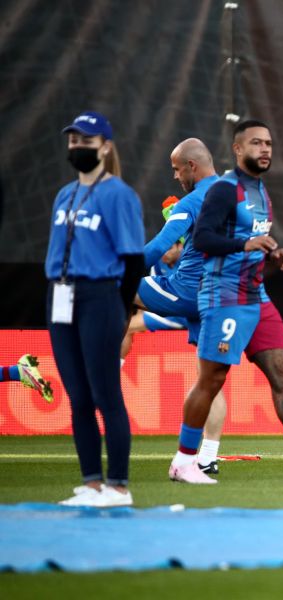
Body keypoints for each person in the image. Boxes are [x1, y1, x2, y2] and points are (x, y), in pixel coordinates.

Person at [168, 119, 283, 484]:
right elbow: (204, 240)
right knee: (212, 379)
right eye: (256, 143)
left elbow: (251, 239)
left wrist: (274, 252)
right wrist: (244, 245)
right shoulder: (224, 190)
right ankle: (183, 461)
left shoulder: (260, 193)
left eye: (269, 143)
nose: (265, 149)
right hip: (224, 296)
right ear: (238, 150)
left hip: (256, 296)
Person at [46, 111, 145, 507]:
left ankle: (118, 486)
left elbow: (134, 260)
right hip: (60, 296)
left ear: (105, 146)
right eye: (73, 140)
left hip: (99, 296)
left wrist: (121, 312)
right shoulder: (64, 194)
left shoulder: (118, 194)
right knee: (78, 395)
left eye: (86, 140)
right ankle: (91, 485)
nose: (78, 146)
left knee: (106, 394)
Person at [124, 147, 229, 474]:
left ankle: (105, 371)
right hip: (219, 297)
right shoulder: (235, 196)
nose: (174, 176)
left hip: (184, 291)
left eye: (176, 169)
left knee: (111, 284)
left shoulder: (193, 201)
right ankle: (208, 456)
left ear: (191, 166)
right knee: (209, 380)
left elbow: (157, 247)